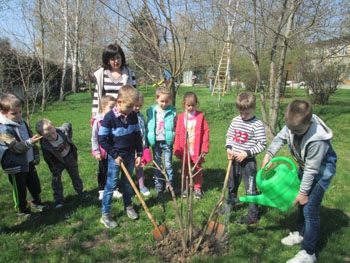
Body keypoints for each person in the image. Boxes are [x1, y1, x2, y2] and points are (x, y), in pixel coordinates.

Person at [261, 100, 337, 263]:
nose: (293, 133)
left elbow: (312, 169)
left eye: (297, 130)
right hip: (306, 166)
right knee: (302, 204)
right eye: (290, 129)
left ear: (309, 123)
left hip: (320, 173)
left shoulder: (317, 140)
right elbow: (281, 137)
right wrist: (270, 154)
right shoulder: (292, 123)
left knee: (310, 209)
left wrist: (303, 192)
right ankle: (302, 233)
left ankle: (309, 253)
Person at [98, 85, 143, 228]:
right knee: (111, 185)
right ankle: (105, 214)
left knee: (127, 183)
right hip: (115, 158)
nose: (132, 110)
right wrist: (115, 155)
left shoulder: (133, 116)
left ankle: (128, 206)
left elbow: (137, 136)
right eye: (129, 106)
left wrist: (139, 153)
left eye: (134, 107)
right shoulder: (109, 118)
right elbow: (102, 140)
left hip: (130, 156)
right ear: (119, 102)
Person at [0, 93, 48, 219]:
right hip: (15, 164)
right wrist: (30, 142)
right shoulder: (3, 129)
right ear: (4, 113)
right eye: (14, 113)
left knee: (34, 184)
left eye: (20, 112)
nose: (19, 115)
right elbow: (15, 147)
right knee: (20, 189)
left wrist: (35, 154)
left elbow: (30, 137)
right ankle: (22, 210)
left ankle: (36, 202)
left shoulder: (22, 122)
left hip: (28, 161)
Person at [224, 91, 267, 224]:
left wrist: (247, 153)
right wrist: (229, 148)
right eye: (241, 112)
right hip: (234, 160)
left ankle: (253, 215)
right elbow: (229, 136)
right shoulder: (236, 120)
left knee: (250, 188)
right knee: (232, 184)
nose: (243, 116)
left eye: (246, 113)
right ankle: (230, 204)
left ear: (254, 108)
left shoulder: (257, 124)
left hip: (248, 162)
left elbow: (262, 144)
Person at [36, 119, 90, 208]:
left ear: (54, 127)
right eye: (48, 136)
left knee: (75, 175)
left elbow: (68, 124)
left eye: (53, 133)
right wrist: (53, 168)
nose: (52, 137)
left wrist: (69, 138)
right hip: (56, 162)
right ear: (43, 136)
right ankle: (59, 200)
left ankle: (80, 192)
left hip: (69, 157)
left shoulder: (62, 131)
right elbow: (48, 158)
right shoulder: (45, 145)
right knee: (56, 180)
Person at [174, 91, 210, 199]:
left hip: (196, 149)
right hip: (185, 150)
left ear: (196, 104)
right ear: (184, 104)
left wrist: (205, 148)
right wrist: (177, 149)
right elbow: (178, 134)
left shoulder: (200, 116)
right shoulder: (181, 118)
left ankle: (197, 188)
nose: (190, 107)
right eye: (188, 105)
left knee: (197, 169)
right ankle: (185, 188)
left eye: (193, 105)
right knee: (184, 169)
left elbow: (206, 132)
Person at [92, 43, 136, 118]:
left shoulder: (129, 74)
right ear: (108, 61)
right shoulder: (101, 74)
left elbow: (134, 95)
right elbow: (97, 96)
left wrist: (134, 114)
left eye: (118, 58)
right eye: (112, 59)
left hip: (124, 114)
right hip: (106, 115)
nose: (116, 61)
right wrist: (94, 116)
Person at [91, 95, 122, 200]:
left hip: (113, 151)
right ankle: (102, 190)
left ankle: (114, 189)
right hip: (102, 152)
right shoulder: (98, 121)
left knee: (114, 170)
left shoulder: (115, 119)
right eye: (111, 107)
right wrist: (97, 151)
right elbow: (94, 138)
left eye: (115, 107)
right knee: (103, 170)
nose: (113, 109)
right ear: (103, 107)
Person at [146, 86, 176, 194]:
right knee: (157, 163)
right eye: (162, 101)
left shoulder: (172, 111)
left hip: (167, 141)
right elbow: (149, 125)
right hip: (156, 141)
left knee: (168, 163)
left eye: (166, 101)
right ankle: (158, 183)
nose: (164, 103)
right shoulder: (151, 111)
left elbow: (175, 125)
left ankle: (169, 183)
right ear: (157, 99)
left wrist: (174, 135)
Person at [133, 91, 151, 196]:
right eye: (135, 105)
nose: (137, 108)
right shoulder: (129, 116)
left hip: (141, 146)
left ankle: (141, 185)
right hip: (131, 147)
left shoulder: (141, 116)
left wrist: (145, 144)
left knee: (140, 167)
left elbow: (144, 130)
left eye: (139, 106)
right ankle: (128, 185)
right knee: (129, 167)